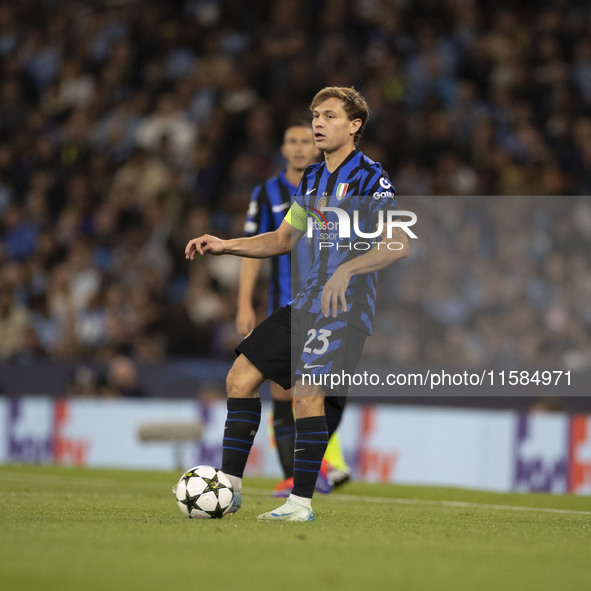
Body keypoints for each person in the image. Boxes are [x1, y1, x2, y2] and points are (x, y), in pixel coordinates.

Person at [185, 86, 409, 521]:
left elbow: (397, 243)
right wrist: (225, 244)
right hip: (305, 302)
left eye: (329, 116)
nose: (318, 124)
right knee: (240, 377)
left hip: (346, 309)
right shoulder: (311, 178)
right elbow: (284, 238)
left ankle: (299, 504)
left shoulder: (370, 178)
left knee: (307, 396)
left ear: (354, 125)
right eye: (315, 116)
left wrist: (348, 269)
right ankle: (227, 489)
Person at [236, 121, 349, 497]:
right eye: (292, 141)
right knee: (284, 393)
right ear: (283, 149)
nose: (300, 148)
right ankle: (295, 477)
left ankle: (311, 466)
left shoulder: (335, 185)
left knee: (325, 391)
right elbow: (264, 245)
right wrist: (245, 303)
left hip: (332, 306)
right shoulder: (267, 193)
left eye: (305, 141)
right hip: (285, 303)